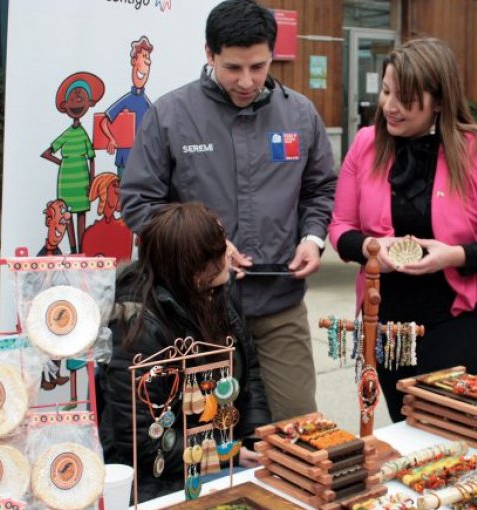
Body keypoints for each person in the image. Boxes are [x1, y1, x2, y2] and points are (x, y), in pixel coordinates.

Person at [120, 0, 336, 421]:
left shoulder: (299, 114)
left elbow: (321, 188)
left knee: (298, 425)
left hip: (279, 304)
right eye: (233, 68)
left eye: (258, 67)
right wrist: (208, 242)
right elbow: (139, 203)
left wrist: (313, 237)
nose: (247, 81)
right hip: (197, 311)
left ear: (272, 55)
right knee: (208, 435)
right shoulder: (171, 115)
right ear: (209, 54)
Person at [328, 38, 477, 422]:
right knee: (404, 423)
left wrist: (454, 255)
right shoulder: (366, 145)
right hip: (385, 317)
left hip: (455, 317)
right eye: (386, 91)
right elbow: (340, 228)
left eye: (405, 98)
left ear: (439, 100)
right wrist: (372, 247)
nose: (390, 106)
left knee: (445, 425)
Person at [99, 202, 271, 501]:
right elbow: (142, 442)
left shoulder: (216, 292)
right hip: (162, 479)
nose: (230, 252)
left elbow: (250, 372)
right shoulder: (138, 327)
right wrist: (224, 454)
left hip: (221, 453)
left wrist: (256, 438)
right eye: (219, 250)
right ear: (195, 271)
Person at [41, 71, 105, 253]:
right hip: (66, 180)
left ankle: (83, 249)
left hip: (82, 179)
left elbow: (92, 158)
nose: (77, 102)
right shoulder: (67, 134)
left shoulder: (82, 134)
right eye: (73, 98)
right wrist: (61, 163)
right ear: (64, 105)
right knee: (66, 215)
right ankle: (73, 248)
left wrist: (92, 181)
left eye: (82, 98)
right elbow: (47, 152)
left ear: (89, 104)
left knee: (82, 214)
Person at [99, 36, 153, 180]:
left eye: (148, 58)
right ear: (134, 61)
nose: (146, 62)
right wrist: (111, 139)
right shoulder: (126, 100)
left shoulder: (148, 104)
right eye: (143, 57)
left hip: (143, 162)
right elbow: (104, 121)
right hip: (124, 159)